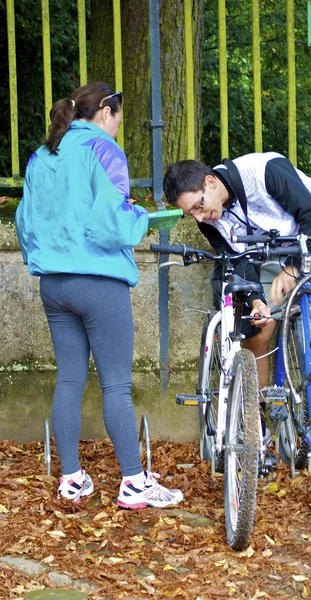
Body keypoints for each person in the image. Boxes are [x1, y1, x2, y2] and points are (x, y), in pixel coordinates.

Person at [15, 82, 183, 509]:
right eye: (119, 116)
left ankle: (71, 478)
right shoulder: (103, 150)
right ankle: (133, 482)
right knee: (116, 386)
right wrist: (142, 220)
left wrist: (45, 258)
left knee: (69, 378)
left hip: (53, 285)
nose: (119, 126)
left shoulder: (41, 156)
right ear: (106, 110)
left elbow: (25, 222)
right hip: (98, 282)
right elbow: (110, 220)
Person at [163, 152, 311, 396]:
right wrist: (257, 301)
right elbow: (236, 260)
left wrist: (293, 267)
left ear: (210, 182)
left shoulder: (265, 171)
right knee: (258, 328)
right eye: (191, 214)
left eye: (198, 207)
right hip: (268, 255)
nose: (199, 218)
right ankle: (259, 422)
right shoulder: (207, 219)